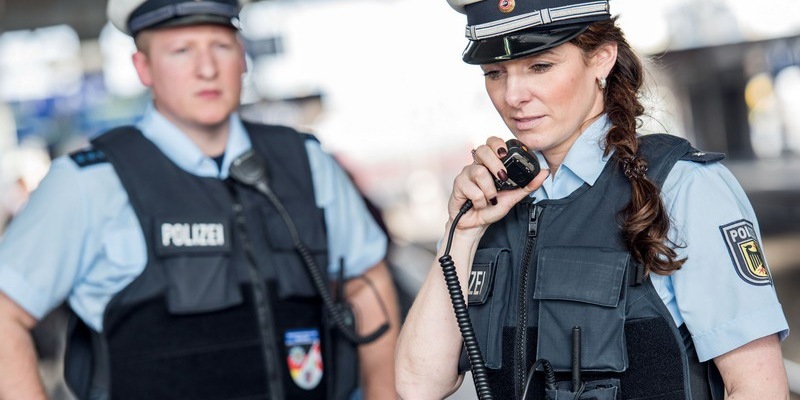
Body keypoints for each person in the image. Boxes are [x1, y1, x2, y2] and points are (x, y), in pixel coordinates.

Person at [0, 0, 400, 399]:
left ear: (243, 57)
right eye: (181, 50)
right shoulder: (88, 183)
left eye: (221, 46)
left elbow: (368, 284)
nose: (206, 68)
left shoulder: (306, 162)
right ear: (143, 68)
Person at [395, 0, 790, 399]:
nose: (513, 95)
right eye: (495, 73)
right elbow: (419, 386)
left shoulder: (682, 187)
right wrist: (461, 233)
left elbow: (759, 388)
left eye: (540, 67)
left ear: (601, 59)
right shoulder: (495, 204)